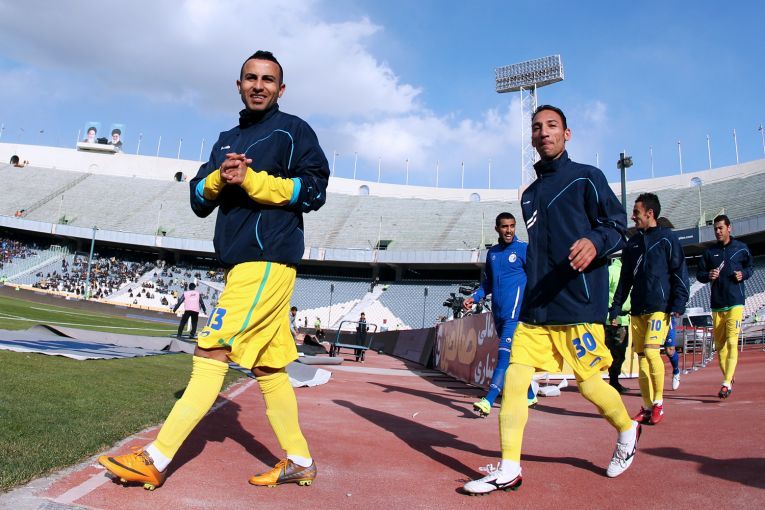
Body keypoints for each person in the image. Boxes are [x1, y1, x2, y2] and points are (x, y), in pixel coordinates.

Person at [99, 50, 329, 490]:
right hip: (241, 264)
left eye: (267, 79)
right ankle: (300, 460)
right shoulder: (226, 140)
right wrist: (220, 178)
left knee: (211, 351)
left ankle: (155, 458)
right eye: (250, 78)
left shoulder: (293, 130)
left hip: (266, 261)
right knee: (268, 368)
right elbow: (198, 200)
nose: (258, 85)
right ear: (239, 85)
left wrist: (253, 180)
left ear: (281, 88)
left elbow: (315, 190)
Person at [464, 105, 639, 496]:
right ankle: (509, 468)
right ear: (531, 137)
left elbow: (617, 227)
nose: (543, 132)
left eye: (552, 126)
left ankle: (628, 431)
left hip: (578, 304)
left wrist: (594, 241)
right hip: (536, 308)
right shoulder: (529, 196)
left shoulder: (587, 177)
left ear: (566, 134)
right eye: (536, 127)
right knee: (514, 381)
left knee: (590, 385)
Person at [610, 195, 688, 425]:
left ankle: (658, 404)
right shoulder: (632, 244)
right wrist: (616, 307)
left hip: (658, 307)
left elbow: (679, 272)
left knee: (652, 353)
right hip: (637, 308)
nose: (633, 216)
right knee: (642, 358)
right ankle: (646, 406)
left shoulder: (667, 238)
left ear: (649, 213)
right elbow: (625, 280)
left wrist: (679, 303)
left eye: (636, 212)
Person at [465, 212, 535, 417]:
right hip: (498, 314)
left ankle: (488, 400)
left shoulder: (523, 249)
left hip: (516, 315)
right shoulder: (493, 253)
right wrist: (475, 297)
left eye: (512, 226)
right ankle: (530, 395)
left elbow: (536, 279)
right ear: (497, 229)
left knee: (503, 355)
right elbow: (487, 283)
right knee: (512, 357)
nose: (509, 230)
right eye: (505, 226)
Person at [695, 214, 754, 398]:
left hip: (735, 303)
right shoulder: (709, 252)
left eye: (721, 228)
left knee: (732, 341)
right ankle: (729, 376)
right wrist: (708, 275)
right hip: (717, 305)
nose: (718, 231)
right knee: (720, 347)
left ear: (729, 228)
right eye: (715, 229)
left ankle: (726, 383)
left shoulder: (741, 248)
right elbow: (699, 274)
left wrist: (743, 274)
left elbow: (750, 267)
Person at [656, 217, 681, 390]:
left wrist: (677, 304)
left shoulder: (673, 257)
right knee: (649, 351)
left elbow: (680, 279)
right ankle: (653, 388)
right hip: (652, 309)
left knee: (669, 350)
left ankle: (676, 371)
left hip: (668, 311)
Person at [606, 255, 631, 394]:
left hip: (624, 321)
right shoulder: (611, 270)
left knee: (620, 353)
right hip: (610, 319)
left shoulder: (631, 271)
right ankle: (605, 382)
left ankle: (614, 381)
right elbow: (602, 294)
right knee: (608, 351)